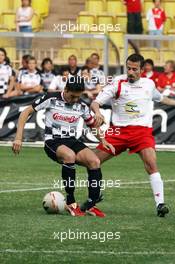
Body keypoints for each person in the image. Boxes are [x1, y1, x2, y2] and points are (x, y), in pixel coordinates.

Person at [91, 53, 175, 217]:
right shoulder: (117, 82)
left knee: (151, 164)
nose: (130, 72)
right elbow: (96, 102)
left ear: (142, 70)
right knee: (92, 161)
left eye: (134, 69)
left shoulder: (149, 84)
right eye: (128, 68)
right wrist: (97, 112)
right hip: (118, 132)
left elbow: (162, 98)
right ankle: (95, 195)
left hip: (141, 132)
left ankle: (160, 205)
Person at [12, 77, 105, 217]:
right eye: (73, 96)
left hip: (72, 141)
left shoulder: (81, 105)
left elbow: (92, 124)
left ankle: (91, 204)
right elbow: (26, 112)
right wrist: (18, 137)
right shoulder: (51, 98)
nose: (75, 100)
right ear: (65, 89)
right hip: (53, 141)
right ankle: (71, 202)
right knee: (69, 156)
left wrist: (103, 140)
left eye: (78, 97)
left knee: (95, 161)